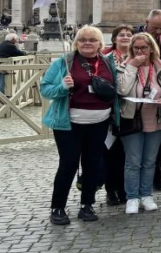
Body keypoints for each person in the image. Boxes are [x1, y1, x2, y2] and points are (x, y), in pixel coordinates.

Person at [42, 26, 121, 225]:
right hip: (69, 124)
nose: (87, 43)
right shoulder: (64, 62)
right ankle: (58, 207)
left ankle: (87, 204)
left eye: (92, 40)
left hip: (99, 122)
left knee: (92, 164)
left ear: (100, 44)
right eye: (83, 39)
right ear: (76, 42)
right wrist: (62, 86)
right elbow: (45, 89)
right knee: (68, 165)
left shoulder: (108, 62)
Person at [116, 32, 161, 215]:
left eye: (144, 48)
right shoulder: (125, 66)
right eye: (136, 48)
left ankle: (146, 195)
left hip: (155, 118)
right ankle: (132, 197)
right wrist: (133, 65)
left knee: (149, 161)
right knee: (133, 161)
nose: (140, 51)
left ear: (151, 49)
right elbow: (122, 89)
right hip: (132, 119)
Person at [99, 24, 134, 205]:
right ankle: (111, 189)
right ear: (114, 39)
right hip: (111, 112)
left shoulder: (137, 59)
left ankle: (123, 188)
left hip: (131, 112)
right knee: (111, 153)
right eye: (122, 35)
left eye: (129, 35)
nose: (125, 37)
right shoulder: (106, 59)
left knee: (127, 154)